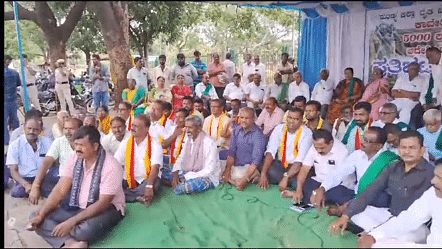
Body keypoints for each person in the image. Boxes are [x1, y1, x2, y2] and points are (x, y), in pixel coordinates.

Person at [27, 126, 125, 248]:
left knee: (84, 231)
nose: (77, 149)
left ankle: (68, 237)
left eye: (82, 145)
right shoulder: (75, 157)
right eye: (76, 144)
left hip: (107, 209)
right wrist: (42, 214)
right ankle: (70, 243)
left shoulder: (111, 165)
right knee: (35, 217)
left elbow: (103, 203)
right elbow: (60, 189)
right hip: (77, 205)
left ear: (95, 147)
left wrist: (71, 222)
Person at [329, 131, 434, 237]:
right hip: (391, 215)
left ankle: (376, 234)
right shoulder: (394, 167)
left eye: (412, 148)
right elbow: (370, 191)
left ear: (422, 150)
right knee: (356, 213)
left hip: (415, 225)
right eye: (403, 147)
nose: (406, 151)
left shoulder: (431, 173)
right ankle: (378, 234)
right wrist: (345, 216)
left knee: (401, 236)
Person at [310, 127, 399, 215]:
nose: (362, 142)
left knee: (383, 198)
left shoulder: (388, 160)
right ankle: (350, 207)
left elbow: (379, 192)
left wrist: (351, 204)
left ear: (378, 146)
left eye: (367, 141)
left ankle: (348, 208)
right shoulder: (358, 154)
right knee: (330, 191)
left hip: (375, 199)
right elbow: (339, 173)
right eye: (363, 138)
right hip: (356, 195)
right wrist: (322, 188)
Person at [358, 163, 442, 248]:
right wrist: (373, 236)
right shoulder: (434, 193)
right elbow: (409, 218)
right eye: (435, 175)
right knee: (376, 243)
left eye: (440, 178)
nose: (433, 181)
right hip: (429, 242)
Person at [281, 129, 354, 206]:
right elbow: (305, 169)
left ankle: (307, 196)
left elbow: (337, 177)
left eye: (322, 148)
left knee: (338, 195)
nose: (318, 150)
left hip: (338, 185)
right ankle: (308, 195)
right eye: (316, 148)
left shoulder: (342, 152)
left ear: (331, 143)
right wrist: (299, 189)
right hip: (318, 181)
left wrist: (320, 190)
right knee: (296, 182)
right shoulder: (315, 147)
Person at [28, 118, 83, 205]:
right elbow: (46, 162)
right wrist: (35, 186)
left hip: (81, 180)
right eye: (65, 128)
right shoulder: (59, 141)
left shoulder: (86, 143)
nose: (67, 131)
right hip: (63, 179)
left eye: (71, 129)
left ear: (80, 129)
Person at [257, 107, 313, 192]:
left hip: (297, 168)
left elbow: (299, 161)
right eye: (290, 118)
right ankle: (277, 179)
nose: (291, 121)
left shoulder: (307, 133)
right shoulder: (279, 128)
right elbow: (270, 152)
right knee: (265, 168)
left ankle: (282, 180)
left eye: (296, 119)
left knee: (296, 182)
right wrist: (263, 173)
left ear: (301, 120)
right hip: (281, 164)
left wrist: (286, 177)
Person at [114, 114, 163, 205]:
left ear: (146, 129)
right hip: (128, 178)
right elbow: (116, 163)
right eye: (132, 125)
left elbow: (155, 168)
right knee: (111, 187)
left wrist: (149, 186)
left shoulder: (155, 144)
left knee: (154, 185)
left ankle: (127, 196)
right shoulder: (126, 143)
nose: (132, 128)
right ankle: (137, 197)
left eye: (136, 126)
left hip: (147, 179)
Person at [171, 115, 221, 195]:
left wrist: (186, 177)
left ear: (199, 129)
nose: (187, 130)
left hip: (206, 177)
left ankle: (175, 184)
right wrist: (175, 174)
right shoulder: (188, 138)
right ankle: (175, 182)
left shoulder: (209, 143)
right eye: (186, 127)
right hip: (186, 171)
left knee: (186, 187)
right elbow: (181, 158)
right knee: (162, 170)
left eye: (190, 128)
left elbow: (209, 170)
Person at [6, 116, 53, 198]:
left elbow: (53, 163)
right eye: (29, 128)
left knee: (51, 188)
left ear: (40, 130)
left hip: (43, 176)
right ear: (24, 128)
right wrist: (26, 185)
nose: (31, 131)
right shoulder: (15, 145)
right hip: (26, 178)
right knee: (17, 192)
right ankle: (34, 190)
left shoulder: (47, 142)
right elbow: (13, 171)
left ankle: (38, 190)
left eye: (35, 129)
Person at [222, 107, 266, 190]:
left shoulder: (258, 135)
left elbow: (255, 162)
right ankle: (233, 179)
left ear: (253, 119)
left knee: (237, 175)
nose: (243, 120)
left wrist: (245, 179)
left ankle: (249, 177)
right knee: (218, 167)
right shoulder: (236, 130)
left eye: (247, 118)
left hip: (248, 167)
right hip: (235, 165)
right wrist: (227, 170)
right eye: (242, 117)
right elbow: (231, 153)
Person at [160, 108, 190, 186]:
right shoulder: (173, 129)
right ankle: (175, 180)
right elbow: (163, 145)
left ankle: (174, 179)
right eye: (176, 117)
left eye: (180, 117)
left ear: (187, 119)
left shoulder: (191, 131)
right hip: (171, 161)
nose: (177, 119)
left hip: (184, 165)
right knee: (155, 161)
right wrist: (174, 135)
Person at [4, 55, 21, 145]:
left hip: (5, 100)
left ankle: (6, 141)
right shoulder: (14, 72)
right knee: (15, 119)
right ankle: (17, 138)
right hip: (13, 99)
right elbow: (18, 84)